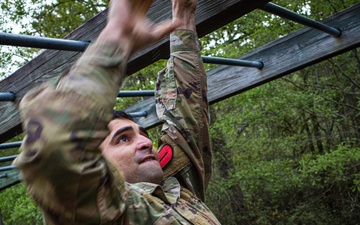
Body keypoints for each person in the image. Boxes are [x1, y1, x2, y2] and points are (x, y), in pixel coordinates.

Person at [13, 0, 221, 224]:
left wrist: (183, 16)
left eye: (143, 134)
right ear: (96, 163)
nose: (145, 143)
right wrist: (116, 38)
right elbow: (53, 150)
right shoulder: (112, 212)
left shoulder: (179, 189)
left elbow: (188, 113)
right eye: (122, 139)